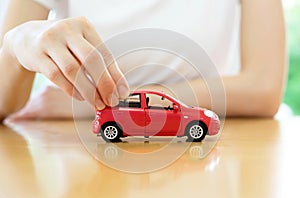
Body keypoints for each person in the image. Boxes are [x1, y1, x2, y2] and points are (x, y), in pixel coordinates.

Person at [0, 0, 286, 122]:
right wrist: (15, 46)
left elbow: (262, 88)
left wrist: (118, 105)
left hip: (212, 153)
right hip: (80, 157)